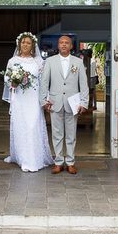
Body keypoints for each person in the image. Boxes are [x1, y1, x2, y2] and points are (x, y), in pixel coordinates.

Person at [3, 32, 54, 172]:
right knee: (21, 127)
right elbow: (7, 80)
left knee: (33, 126)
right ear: (19, 44)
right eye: (23, 42)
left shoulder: (39, 61)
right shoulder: (12, 61)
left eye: (28, 43)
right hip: (19, 98)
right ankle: (22, 157)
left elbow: (44, 81)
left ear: (33, 46)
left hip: (34, 99)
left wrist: (46, 98)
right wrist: (13, 81)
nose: (25, 44)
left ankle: (34, 158)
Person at [39, 35, 89, 174]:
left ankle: (71, 162)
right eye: (61, 42)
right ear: (58, 45)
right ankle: (59, 162)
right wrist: (43, 101)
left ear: (71, 46)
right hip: (55, 102)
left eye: (67, 42)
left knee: (71, 135)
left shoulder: (78, 62)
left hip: (72, 104)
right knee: (56, 134)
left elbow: (83, 84)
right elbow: (44, 82)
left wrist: (84, 102)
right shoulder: (49, 61)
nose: (64, 44)